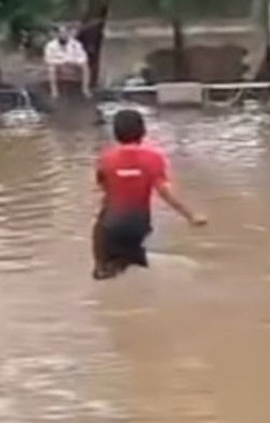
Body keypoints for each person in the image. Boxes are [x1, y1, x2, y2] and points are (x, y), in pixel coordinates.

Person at [93, 108, 205, 280]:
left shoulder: (105, 159)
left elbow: (103, 187)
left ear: (115, 133)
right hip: (140, 225)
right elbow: (166, 193)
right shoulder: (153, 158)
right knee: (134, 263)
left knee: (107, 269)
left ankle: (102, 269)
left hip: (111, 226)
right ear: (143, 132)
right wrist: (191, 216)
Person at [44, 26, 90, 99]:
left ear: (68, 34)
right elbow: (48, 59)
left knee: (85, 67)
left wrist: (75, 61)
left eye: (65, 33)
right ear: (58, 34)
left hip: (73, 63)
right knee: (51, 68)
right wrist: (61, 62)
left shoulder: (76, 44)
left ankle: (85, 89)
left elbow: (83, 57)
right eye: (61, 33)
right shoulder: (50, 45)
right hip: (59, 64)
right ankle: (54, 91)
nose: (63, 35)